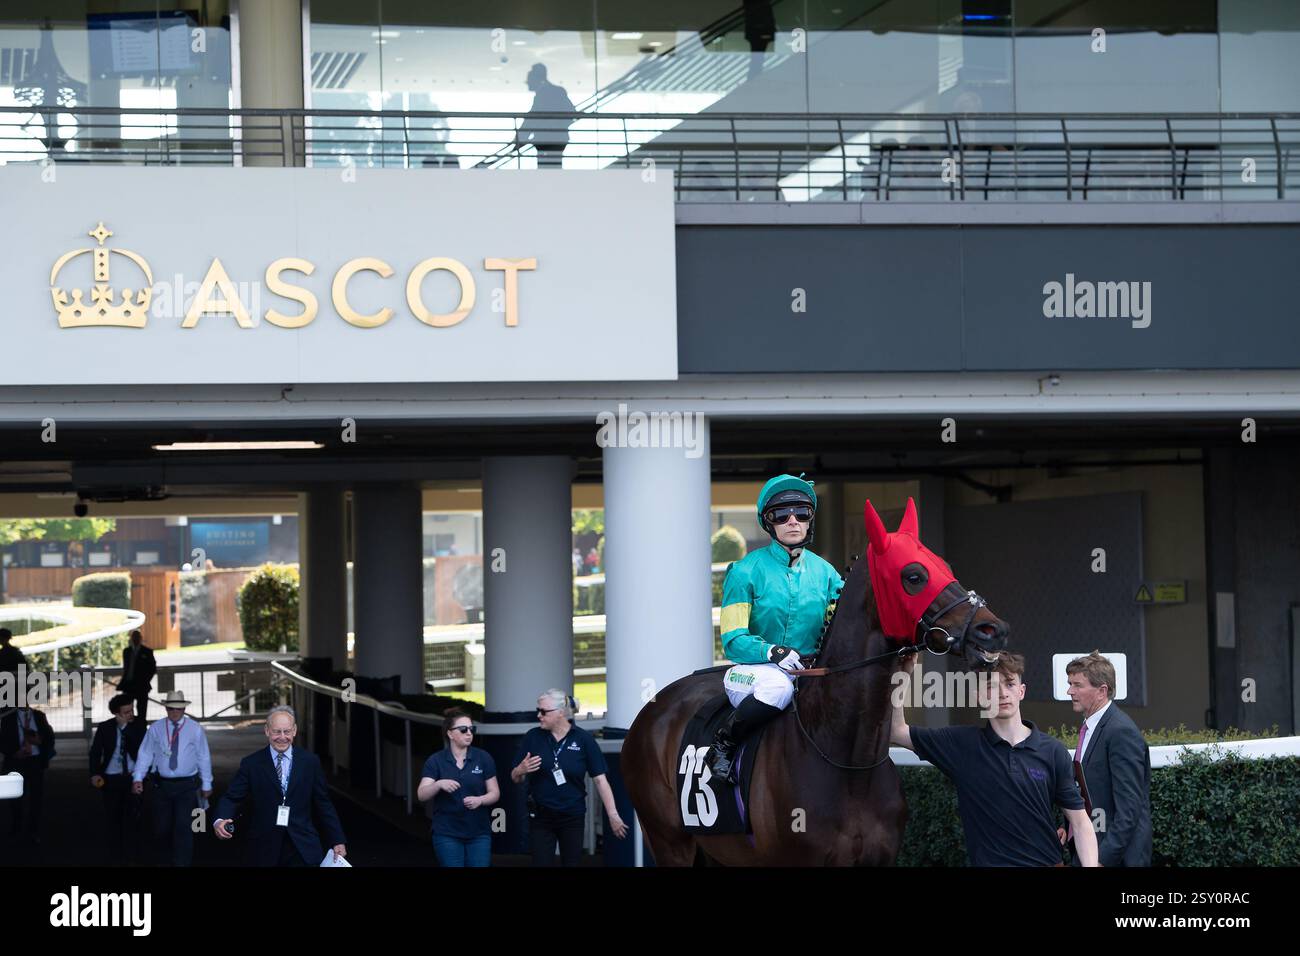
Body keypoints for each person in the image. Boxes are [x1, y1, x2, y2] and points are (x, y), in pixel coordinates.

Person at [891, 650, 1099, 866]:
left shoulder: (1052, 751)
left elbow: (1080, 822)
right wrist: (904, 674)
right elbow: (896, 731)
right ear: (977, 696)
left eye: (1009, 684)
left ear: (1021, 691)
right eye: (990, 686)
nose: (1002, 693)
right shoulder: (962, 744)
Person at [704, 474, 844, 783]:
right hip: (754, 672)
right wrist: (773, 651)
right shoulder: (743, 572)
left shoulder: (827, 574)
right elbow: (732, 641)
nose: (793, 521)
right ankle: (723, 744)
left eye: (802, 513)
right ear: (769, 523)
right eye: (782, 515)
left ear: (810, 520)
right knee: (778, 688)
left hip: (808, 671)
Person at [213, 705, 347, 867]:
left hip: (302, 846)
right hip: (264, 847)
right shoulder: (252, 764)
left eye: (287, 731)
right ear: (267, 731)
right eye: (277, 731)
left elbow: (323, 803)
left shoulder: (310, 762)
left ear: (295, 731)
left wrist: (337, 839)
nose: (282, 737)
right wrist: (219, 820)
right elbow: (232, 797)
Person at [511, 689, 628, 866]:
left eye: (543, 711)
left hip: (572, 816)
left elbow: (600, 780)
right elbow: (515, 778)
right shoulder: (533, 737)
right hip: (541, 816)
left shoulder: (583, 740)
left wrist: (613, 815)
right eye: (538, 710)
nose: (539, 715)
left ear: (560, 712)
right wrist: (520, 770)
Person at [1063, 651, 1153, 866]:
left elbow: (1129, 808)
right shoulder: (1092, 727)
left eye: (1077, 685)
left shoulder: (1120, 731)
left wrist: (1102, 859)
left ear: (1102, 691)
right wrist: (1067, 826)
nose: (1070, 691)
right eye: (1070, 684)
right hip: (1089, 849)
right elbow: (1085, 789)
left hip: (1113, 858)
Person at [131, 689, 212, 867]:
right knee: (161, 828)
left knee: (184, 826)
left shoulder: (195, 729)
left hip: (187, 786)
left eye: (178, 709)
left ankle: (181, 863)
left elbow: (203, 756)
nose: (174, 712)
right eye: (171, 709)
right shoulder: (156, 728)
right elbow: (145, 754)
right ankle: (163, 858)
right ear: (165, 708)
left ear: (184, 709)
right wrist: (138, 778)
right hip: (162, 786)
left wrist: (207, 783)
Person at [416, 707, 499, 867]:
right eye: (463, 729)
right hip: (447, 832)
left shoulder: (483, 757)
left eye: (471, 729)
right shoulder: (436, 761)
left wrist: (480, 800)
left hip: (479, 832)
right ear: (450, 734)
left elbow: (495, 792)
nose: (469, 733)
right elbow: (422, 794)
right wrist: (438, 784)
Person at [89, 693, 147, 864]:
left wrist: (125, 728)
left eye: (132, 710)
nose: (131, 714)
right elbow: (95, 753)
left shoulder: (138, 726)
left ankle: (133, 854)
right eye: (126, 712)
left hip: (132, 778)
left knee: (133, 818)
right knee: (113, 818)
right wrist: (94, 774)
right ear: (116, 714)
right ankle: (115, 855)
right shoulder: (105, 727)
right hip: (111, 779)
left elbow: (140, 747)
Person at [0, 702, 55, 843]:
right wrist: (13, 752)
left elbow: (49, 737)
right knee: (15, 796)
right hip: (16, 761)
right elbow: (2, 740)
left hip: (35, 762)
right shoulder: (7, 717)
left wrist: (40, 740)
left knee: (36, 797)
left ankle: (33, 830)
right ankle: (16, 825)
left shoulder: (39, 716)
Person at [516, 63, 573, 168]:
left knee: (545, 169)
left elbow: (533, 117)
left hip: (546, 139)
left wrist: (520, 137)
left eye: (529, 81)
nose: (528, 84)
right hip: (558, 138)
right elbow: (571, 113)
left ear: (536, 79)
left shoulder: (543, 94)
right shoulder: (557, 91)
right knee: (554, 167)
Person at [119, 630, 156, 721]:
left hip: (142, 685)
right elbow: (126, 668)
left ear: (140, 639)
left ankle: (141, 729)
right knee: (127, 709)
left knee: (142, 710)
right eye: (134, 637)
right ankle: (128, 729)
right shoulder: (126, 651)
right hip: (128, 685)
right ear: (131, 639)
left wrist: (146, 680)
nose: (135, 639)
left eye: (137, 637)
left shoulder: (147, 652)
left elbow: (152, 668)